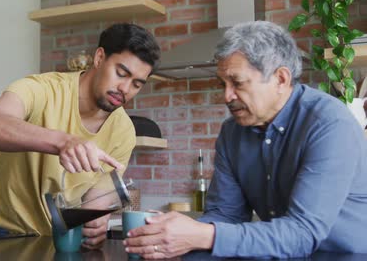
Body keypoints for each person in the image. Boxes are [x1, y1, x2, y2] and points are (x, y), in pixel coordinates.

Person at [123, 21, 367, 259]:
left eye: (237, 83)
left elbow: (302, 234)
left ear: (281, 79)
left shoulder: (329, 125)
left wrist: (201, 235)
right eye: (223, 84)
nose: (226, 96)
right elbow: (225, 216)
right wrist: (172, 240)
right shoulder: (233, 133)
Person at [0, 23, 161, 249]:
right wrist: (63, 141)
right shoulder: (40, 89)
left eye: (137, 84)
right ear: (100, 57)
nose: (125, 88)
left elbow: (98, 199)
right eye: (121, 73)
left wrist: (96, 224)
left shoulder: (123, 129)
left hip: (67, 242)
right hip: (11, 235)